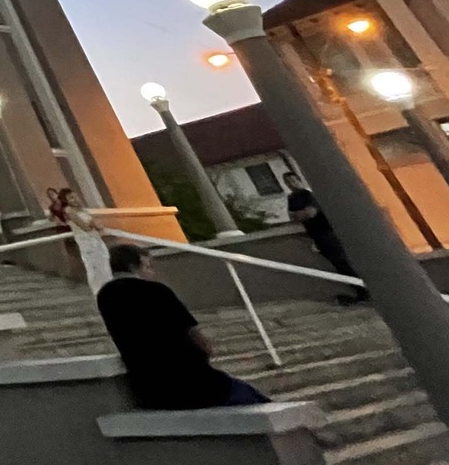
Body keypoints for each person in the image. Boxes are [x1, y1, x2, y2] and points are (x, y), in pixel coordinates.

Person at [96, 244, 270, 409]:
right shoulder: (156, 291)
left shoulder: (105, 296)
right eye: (149, 266)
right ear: (136, 265)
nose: (152, 272)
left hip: (148, 389)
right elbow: (192, 332)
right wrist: (205, 350)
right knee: (254, 399)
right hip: (193, 382)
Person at [285, 172, 363, 303]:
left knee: (343, 262)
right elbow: (292, 217)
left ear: (299, 180)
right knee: (338, 265)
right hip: (316, 235)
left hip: (327, 232)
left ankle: (363, 290)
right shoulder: (292, 198)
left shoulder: (309, 194)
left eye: (293, 180)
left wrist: (302, 214)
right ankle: (359, 291)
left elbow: (311, 213)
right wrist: (301, 214)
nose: (291, 183)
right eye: (288, 181)